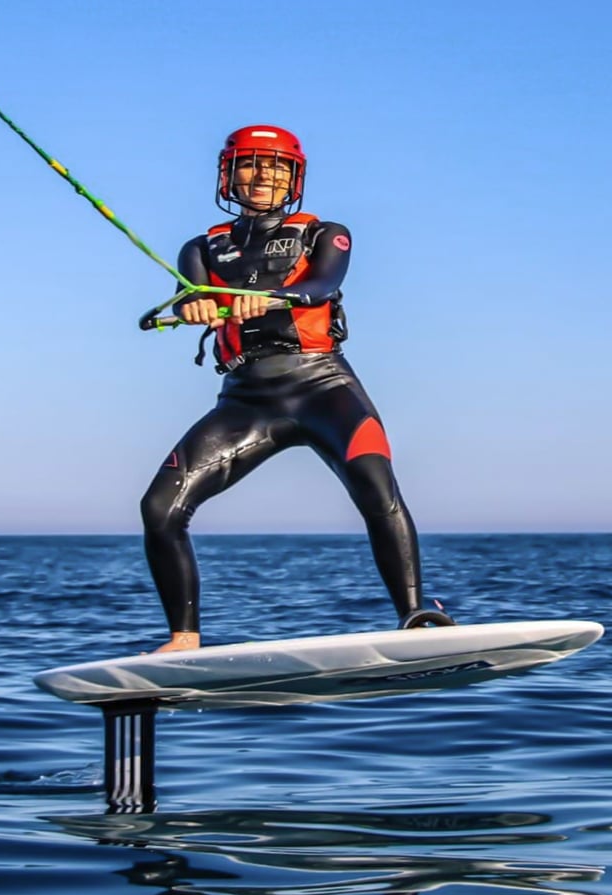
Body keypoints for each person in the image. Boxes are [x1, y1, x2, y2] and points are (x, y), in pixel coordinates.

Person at [140, 125, 448, 653]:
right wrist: (192, 306)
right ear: (228, 175)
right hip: (245, 400)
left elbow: (322, 285)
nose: (262, 176)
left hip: (323, 386)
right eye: (249, 164)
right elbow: (191, 299)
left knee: (376, 488)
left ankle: (416, 613)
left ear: (293, 179)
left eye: (276, 167)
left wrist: (273, 297)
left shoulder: (325, 234)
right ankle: (183, 638)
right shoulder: (200, 247)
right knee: (158, 509)